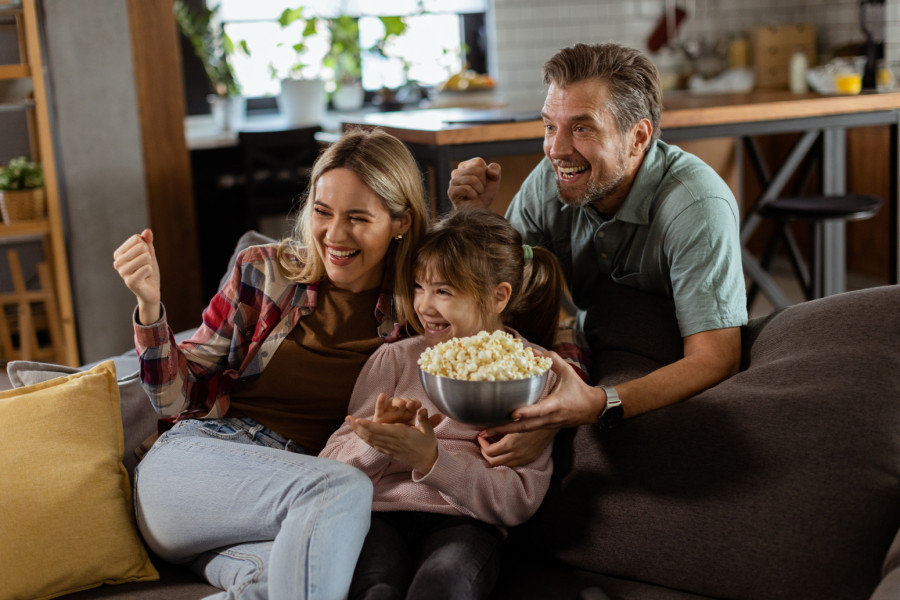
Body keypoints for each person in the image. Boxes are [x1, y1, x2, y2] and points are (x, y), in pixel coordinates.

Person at [112, 128, 428, 600]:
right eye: (322, 212)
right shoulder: (265, 271)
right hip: (192, 469)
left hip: (283, 505)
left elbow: (507, 304)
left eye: (358, 218)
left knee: (285, 585)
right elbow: (173, 396)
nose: (334, 235)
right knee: (344, 488)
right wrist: (151, 307)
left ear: (400, 222)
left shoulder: (420, 314)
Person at [447, 42, 747, 439]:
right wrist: (476, 219)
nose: (556, 150)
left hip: (666, 356)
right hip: (595, 346)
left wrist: (599, 404)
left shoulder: (697, 204)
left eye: (582, 128)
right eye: (550, 126)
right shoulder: (549, 181)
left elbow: (716, 360)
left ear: (638, 137)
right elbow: (503, 298)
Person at [319, 209, 570, 600]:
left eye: (444, 291)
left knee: (442, 588)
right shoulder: (396, 359)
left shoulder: (536, 373)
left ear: (498, 296)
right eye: (419, 287)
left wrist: (432, 461)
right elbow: (328, 469)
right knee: (374, 589)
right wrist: (379, 441)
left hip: (467, 523)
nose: (424, 306)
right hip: (379, 515)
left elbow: (517, 501)